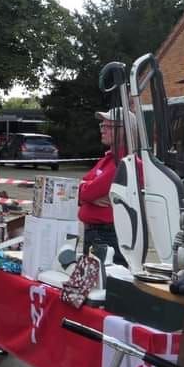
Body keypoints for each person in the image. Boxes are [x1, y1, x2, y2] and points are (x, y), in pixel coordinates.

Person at [77, 108, 137, 268]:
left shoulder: (124, 162)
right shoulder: (110, 159)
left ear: (125, 132)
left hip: (107, 236)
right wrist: (85, 191)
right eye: (102, 126)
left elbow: (87, 192)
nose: (102, 130)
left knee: (104, 286)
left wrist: (86, 192)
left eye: (108, 127)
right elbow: (83, 187)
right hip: (99, 234)